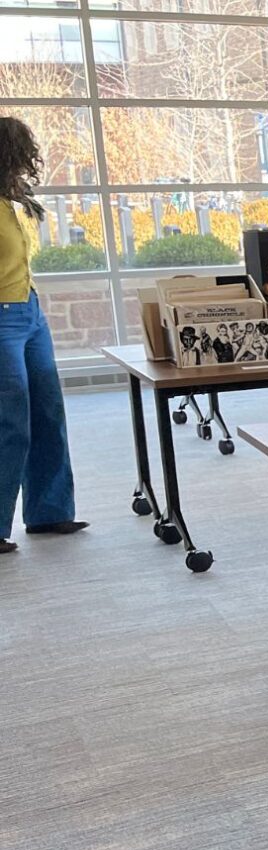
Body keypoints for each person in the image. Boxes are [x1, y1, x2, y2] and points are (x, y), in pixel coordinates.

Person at [0, 116, 85, 556]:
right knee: (10, 421)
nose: (24, 165)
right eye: (17, 156)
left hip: (30, 314)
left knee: (49, 412)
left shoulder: (15, 203)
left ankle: (50, 511)